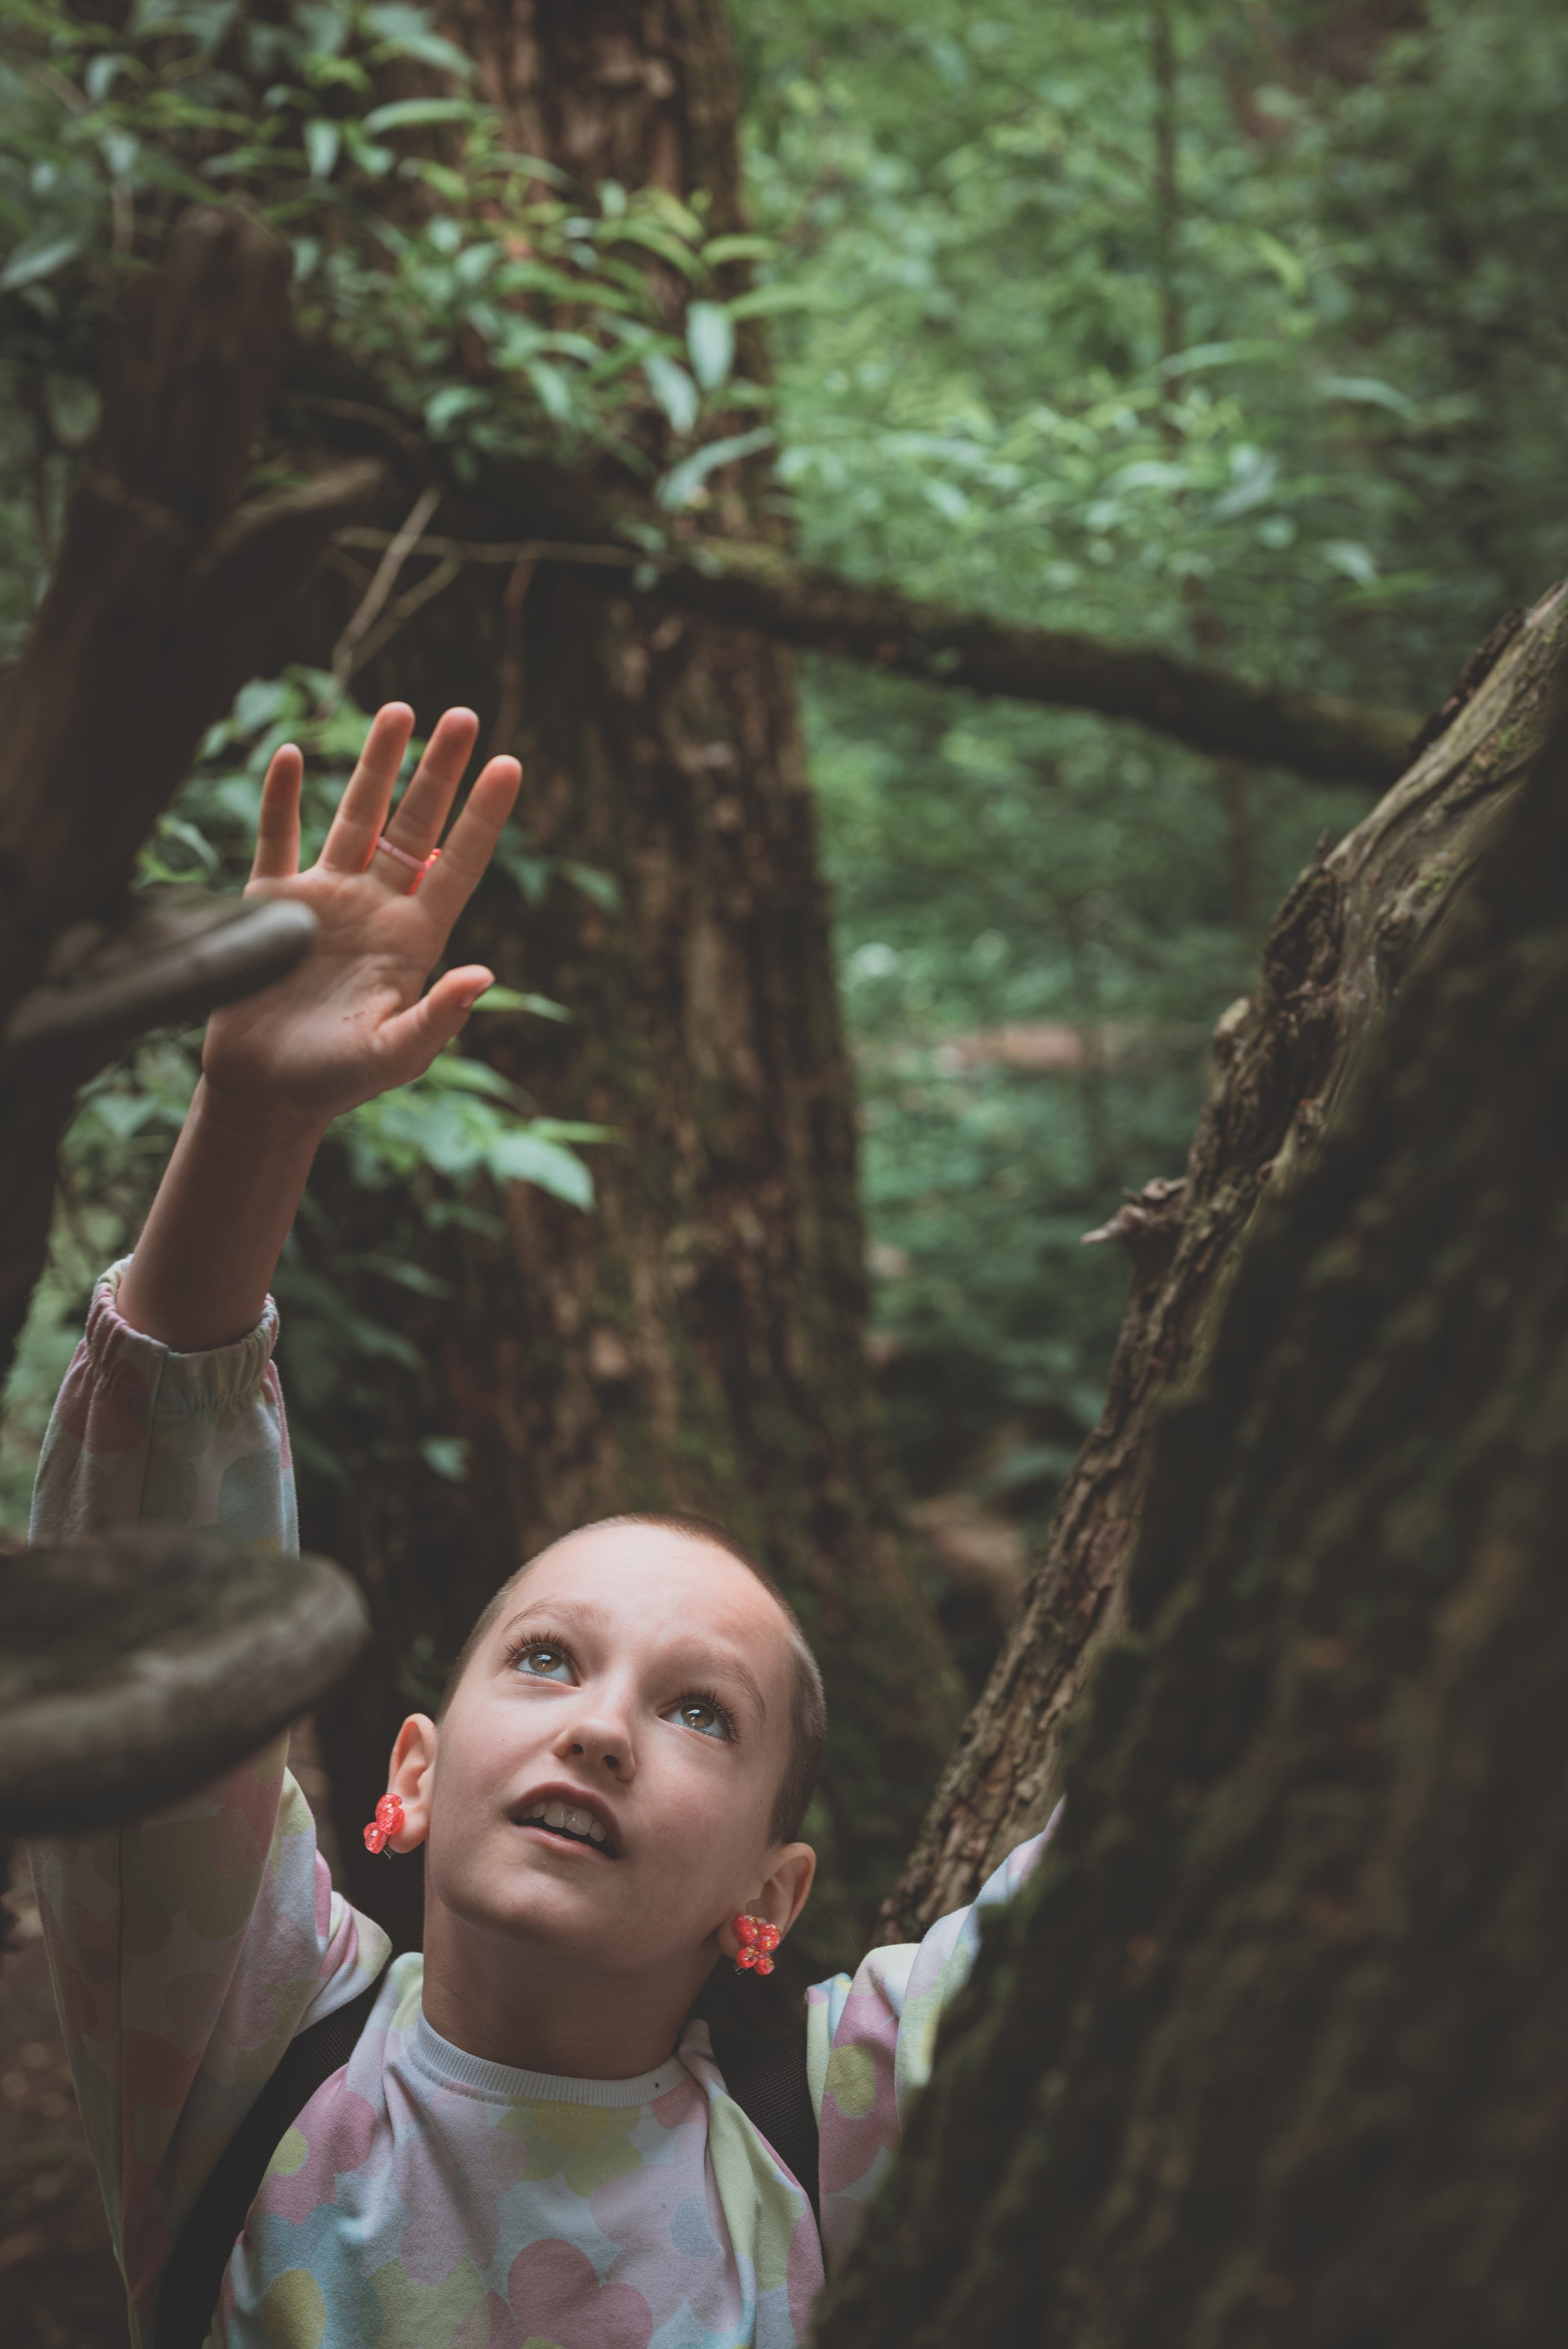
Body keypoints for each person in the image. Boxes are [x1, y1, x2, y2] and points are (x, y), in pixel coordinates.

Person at [28, 704, 1049, 2349]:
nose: (602, 1727)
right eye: (551, 1657)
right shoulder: (250, 2040)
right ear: (413, 1775)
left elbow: (1167, 1805)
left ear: (772, 1895)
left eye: (698, 1708)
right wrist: (256, 1117)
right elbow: (141, 1604)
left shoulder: (823, 2117)